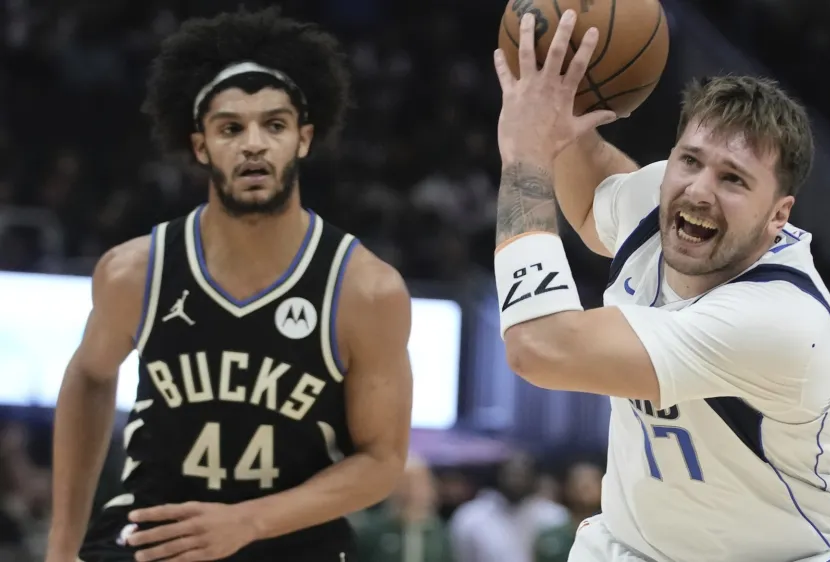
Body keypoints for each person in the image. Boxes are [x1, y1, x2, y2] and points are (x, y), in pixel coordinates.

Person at [490, 10, 830, 562]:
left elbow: (539, 348)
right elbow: (588, 202)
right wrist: (565, 101)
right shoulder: (658, 202)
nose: (698, 190)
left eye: (733, 179)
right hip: (637, 549)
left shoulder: (780, 320)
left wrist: (525, 159)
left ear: (778, 215)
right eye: (689, 161)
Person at [46, 8, 413, 562]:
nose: (254, 144)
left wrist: (247, 520)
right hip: (152, 533)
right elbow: (90, 377)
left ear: (304, 139)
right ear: (200, 147)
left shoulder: (365, 290)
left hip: (292, 541)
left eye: (275, 124)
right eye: (230, 128)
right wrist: (60, 545)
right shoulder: (135, 273)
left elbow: (382, 460)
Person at [449, 452, 568, 562]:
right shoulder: (471, 517)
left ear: (534, 478)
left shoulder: (554, 517)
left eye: (522, 475)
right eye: (511, 474)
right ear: (499, 476)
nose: (516, 480)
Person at [355, 455, 454, 562]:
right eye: (406, 484)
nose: (413, 491)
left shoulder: (442, 534)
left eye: (420, 483)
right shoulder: (371, 532)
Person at [534, 462, 603, 562]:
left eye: (592, 480)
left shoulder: (616, 536)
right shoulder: (550, 538)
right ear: (567, 487)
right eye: (579, 481)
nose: (585, 486)